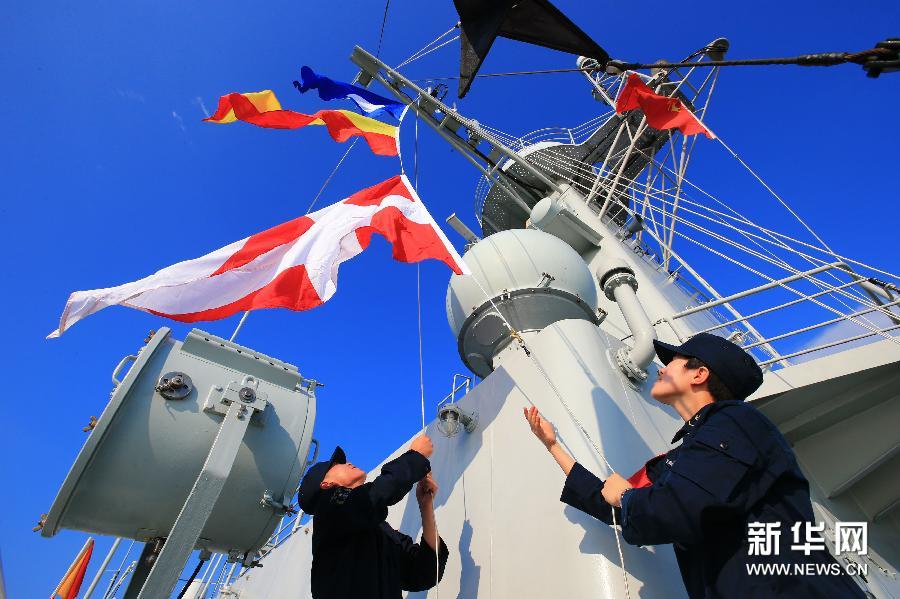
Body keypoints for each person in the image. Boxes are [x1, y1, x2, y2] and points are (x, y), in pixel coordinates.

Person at [524, 332, 865, 598]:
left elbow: (672, 510)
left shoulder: (737, 421)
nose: (661, 367)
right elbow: (615, 505)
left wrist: (627, 498)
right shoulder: (686, 455)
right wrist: (554, 446)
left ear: (700, 374)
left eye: (672, 361)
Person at [298, 433, 449, 599]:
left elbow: (426, 573)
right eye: (336, 465)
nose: (348, 463)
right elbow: (376, 495)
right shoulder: (327, 511)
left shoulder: (378, 529)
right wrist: (415, 456)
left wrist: (425, 506)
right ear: (326, 484)